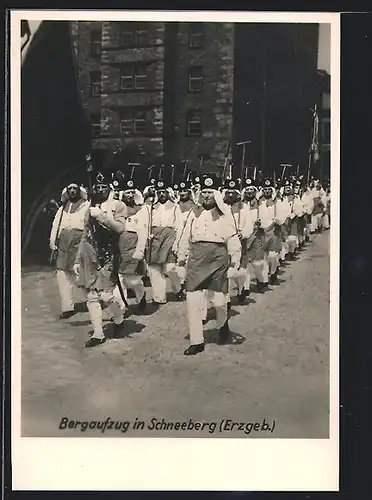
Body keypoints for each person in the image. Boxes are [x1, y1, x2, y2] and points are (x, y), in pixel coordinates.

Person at [177, 174, 241, 355]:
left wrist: (234, 261)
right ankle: (196, 341)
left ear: (216, 194)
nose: (206, 196)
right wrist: (181, 258)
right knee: (193, 300)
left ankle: (222, 325)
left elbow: (233, 239)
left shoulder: (225, 214)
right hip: (196, 260)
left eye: (210, 192)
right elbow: (185, 237)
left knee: (219, 301)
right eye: (204, 192)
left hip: (217, 260)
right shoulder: (193, 213)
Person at [73, 171, 127, 348]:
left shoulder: (118, 206)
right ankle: (98, 334)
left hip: (110, 254)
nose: (100, 189)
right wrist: (77, 259)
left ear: (110, 187)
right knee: (92, 296)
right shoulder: (91, 206)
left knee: (106, 295)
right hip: (91, 254)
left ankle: (118, 318)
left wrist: (101, 216)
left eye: (104, 186)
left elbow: (119, 228)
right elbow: (85, 234)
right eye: (98, 187)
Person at [49, 181, 89, 319]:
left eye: (75, 189)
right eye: (70, 189)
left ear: (79, 191)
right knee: (62, 274)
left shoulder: (86, 206)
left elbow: (88, 225)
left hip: (79, 242)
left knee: (81, 273)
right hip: (63, 244)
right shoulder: (63, 208)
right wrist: (52, 240)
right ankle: (67, 307)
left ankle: (93, 300)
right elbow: (56, 225)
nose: (72, 191)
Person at [115, 177, 149, 312]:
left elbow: (143, 228)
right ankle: (122, 307)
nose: (129, 195)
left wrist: (141, 247)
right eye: (127, 192)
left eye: (131, 192)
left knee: (134, 278)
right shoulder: (116, 208)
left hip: (134, 242)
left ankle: (141, 296)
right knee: (119, 277)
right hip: (119, 242)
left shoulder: (140, 209)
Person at [147, 179, 183, 304]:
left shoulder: (175, 207)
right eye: (159, 192)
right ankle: (159, 297)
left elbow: (179, 225)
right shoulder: (151, 207)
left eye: (164, 192)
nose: (161, 194)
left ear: (168, 192)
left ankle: (178, 288)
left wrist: (177, 242)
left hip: (169, 237)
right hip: (155, 238)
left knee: (169, 267)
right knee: (154, 269)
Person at [223, 178, 254, 306]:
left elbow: (249, 225)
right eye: (228, 193)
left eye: (233, 193)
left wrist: (243, 234)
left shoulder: (244, 207)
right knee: (225, 271)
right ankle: (227, 299)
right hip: (224, 242)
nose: (230, 195)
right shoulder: (222, 207)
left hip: (240, 241)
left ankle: (242, 289)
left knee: (240, 270)